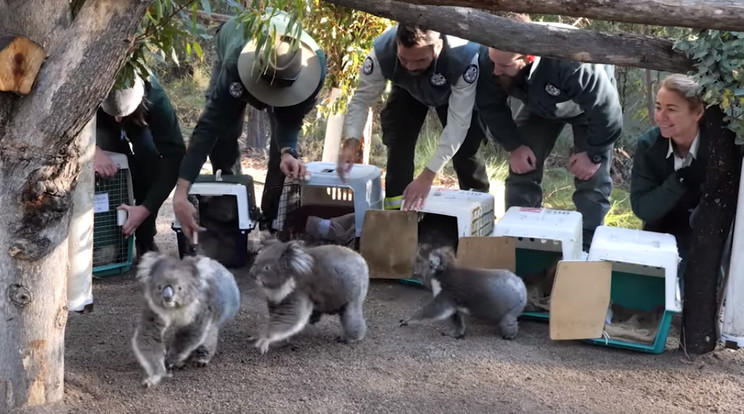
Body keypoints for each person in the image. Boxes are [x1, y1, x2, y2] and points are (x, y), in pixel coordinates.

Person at [173, 11, 326, 241]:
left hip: (281, 75)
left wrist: (288, 151)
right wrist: (181, 195)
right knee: (223, 136)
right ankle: (231, 211)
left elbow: (291, 120)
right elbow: (208, 128)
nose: (267, 105)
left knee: (284, 158)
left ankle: (271, 221)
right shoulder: (235, 63)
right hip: (236, 50)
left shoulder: (314, 70)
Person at [476, 14, 623, 250]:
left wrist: (594, 154)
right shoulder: (492, 58)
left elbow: (607, 111)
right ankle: (520, 239)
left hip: (589, 112)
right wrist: (513, 145)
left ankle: (586, 247)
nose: (495, 70)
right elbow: (490, 105)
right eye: (494, 62)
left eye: (503, 66)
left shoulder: (570, 60)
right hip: (539, 107)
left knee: (592, 179)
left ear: (528, 58)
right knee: (522, 166)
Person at [337, 24, 490, 211]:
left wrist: (428, 175)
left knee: (468, 152)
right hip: (406, 89)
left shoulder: (463, 57)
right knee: (397, 142)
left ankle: (479, 214)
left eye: (419, 60)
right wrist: (352, 139)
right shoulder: (381, 53)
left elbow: (459, 124)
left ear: (438, 46)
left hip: (452, 90)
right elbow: (361, 100)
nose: (410, 66)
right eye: (403, 59)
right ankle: (396, 215)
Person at [95, 73, 185, 258]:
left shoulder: (155, 98)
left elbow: (174, 157)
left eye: (121, 115)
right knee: (114, 165)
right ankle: (109, 239)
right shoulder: (89, 84)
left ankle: (145, 237)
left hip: (138, 115)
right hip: (96, 115)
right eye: (116, 115)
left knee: (150, 157)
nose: (118, 120)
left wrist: (145, 209)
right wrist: (90, 150)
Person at [630, 74, 706, 260]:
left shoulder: (719, 147)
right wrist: (680, 180)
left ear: (697, 113)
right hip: (660, 231)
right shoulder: (649, 145)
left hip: (707, 237)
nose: (661, 117)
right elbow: (643, 209)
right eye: (658, 107)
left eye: (671, 109)